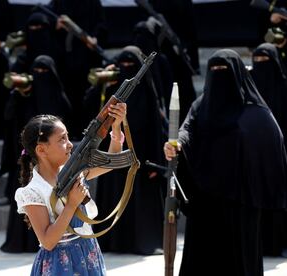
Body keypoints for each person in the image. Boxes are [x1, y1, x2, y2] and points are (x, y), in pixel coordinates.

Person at [164, 49, 287, 276]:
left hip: (240, 201)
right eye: (214, 70)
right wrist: (177, 144)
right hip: (205, 199)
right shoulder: (202, 106)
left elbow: (273, 144)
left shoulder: (255, 111)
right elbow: (187, 129)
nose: (218, 75)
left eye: (224, 70)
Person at [14, 102, 126, 275]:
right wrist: (71, 205)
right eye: (62, 140)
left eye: (67, 137)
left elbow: (112, 162)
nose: (70, 144)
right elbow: (48, 241)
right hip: (59, 265)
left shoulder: (73, 171)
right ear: (41, 150)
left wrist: (116, 125)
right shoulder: (32, 191)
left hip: (88, 251)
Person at [84, 46, 166, 255]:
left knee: (140, 204)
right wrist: (101, 87)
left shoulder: (147, 93)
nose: (126, 68)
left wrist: (156, 162)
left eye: (131, 65)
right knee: (113, 197)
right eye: (123, 66)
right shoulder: (110, 90)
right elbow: (90, 112)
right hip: (112, 154)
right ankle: (113, 241)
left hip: (141, 160)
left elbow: (156, 130)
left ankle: (143, 242)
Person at [0, 55, 72, 252]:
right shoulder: (25, 96)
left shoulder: (58, 97)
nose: (40, 76)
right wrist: (17, 95)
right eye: (36, 72)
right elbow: (8, 117)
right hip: (28, 158)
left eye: (44, 72)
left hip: (54, 162)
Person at [47, 0, 108, 139]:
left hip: (87, 60)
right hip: (65, 62)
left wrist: (95, 38)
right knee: (67, 99)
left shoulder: (93, 3)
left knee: (88, 98)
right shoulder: (58, 3)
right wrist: (55, 25)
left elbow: (102, 25)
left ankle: (88, 133)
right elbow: (45, 18)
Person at [251, 43, 287, 257]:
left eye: (266, 61)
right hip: (254, 155)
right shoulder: (249, 89)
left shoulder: (283, 88)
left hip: (281, 156)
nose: (261, 66)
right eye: (257, 61)